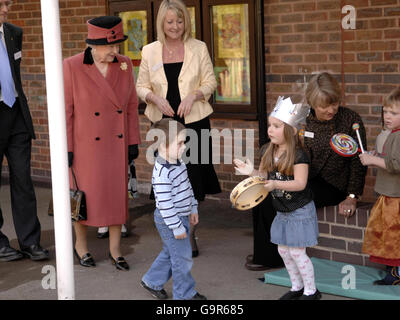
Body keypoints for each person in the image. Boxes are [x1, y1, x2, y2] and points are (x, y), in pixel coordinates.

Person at [136, 0, 221, 258]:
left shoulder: (198, 47)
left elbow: (211, 81)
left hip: (194, 121)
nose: (175, 26)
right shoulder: (149, 51)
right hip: (163, 125)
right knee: (168, 179)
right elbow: (140, 86)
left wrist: (194, 95)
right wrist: (154, 98)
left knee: (192, 179)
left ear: (187, 21)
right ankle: (172, 229)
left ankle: (190, 234)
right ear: (162, 22)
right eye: (170, 21)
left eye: (180, 21)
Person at [63, 16, 140, 270]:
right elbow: (66, 111)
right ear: (93, 46)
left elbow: (130, 107)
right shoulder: (72, 66)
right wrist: (67, 148)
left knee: (115, 197)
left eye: (117, 45)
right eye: (109, 47)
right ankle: (81, 246)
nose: (115, 51)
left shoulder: (126, 65)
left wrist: (132, 142)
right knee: (83, 198)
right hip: (84, 147)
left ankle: (115, 250)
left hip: (115, 145)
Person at [234, 97, 321, 300]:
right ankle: (296, 287)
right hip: (282, 210)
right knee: (283, 251)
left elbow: (300, 183)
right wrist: (250, 171)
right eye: (269, 126)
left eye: (276, 126)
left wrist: (275, 185)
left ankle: (311, 291)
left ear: (290, 130)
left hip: (299, 210)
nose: (270, 130)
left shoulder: (299, 155)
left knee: (298, 253)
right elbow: (264, 176)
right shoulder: (267, 150)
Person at [0, 0, 49, 262]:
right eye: (0, 5)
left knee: (23, 180)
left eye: (6, 4)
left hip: (17, 114)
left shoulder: (14, 33)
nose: (5, 9)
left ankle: (30, 241)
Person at [141, 118, 206, 300]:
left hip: (181, 216)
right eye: (179, 143)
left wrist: (193, 208)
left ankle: (151, 281)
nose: (184, 147)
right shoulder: (162, 173)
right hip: (169, 220)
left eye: (184, 142)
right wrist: (176, 227)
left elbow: (187, 188)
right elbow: (165, 204)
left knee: (173, 253)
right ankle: (184, 295)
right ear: (162, 146)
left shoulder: (179, 163)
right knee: (182, 258)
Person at [304, 72, 367, 217]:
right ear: (312, 103)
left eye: (334, 103)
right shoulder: (303, 120)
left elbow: (358, 161)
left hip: (335, 185)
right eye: (324, 106)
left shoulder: (350, 119)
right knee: (269, 197)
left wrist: (352, 196)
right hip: (304, 180)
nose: (331, 110)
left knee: (291, 198)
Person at [359, 87, 400, 285]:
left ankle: (397, 271)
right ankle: (392, 268)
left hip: (396, 196)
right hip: (388, 193)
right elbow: (388, 158)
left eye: (394, 113)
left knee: (394, 233)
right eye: (385, 111)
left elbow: (396, 164)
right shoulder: (391, 133)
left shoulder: (399, 136)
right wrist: (375, 156)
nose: (388, 116)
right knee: (387, 232)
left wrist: (373, 161)